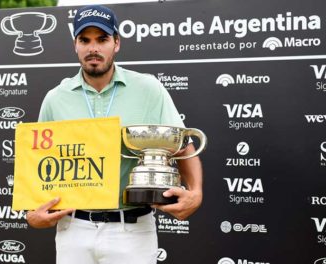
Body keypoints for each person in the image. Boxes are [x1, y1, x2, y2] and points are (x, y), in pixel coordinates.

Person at [26, 5, 203, 264]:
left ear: (116, 43)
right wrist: (32, 211)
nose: (93, 48)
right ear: (75, 45)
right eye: (84, 40)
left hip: (131, 229)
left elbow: (182, 145)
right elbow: (40, 162)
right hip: (73, 228)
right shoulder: (55, 99)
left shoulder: (148, 89)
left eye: (102, 39)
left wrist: (195, 192)